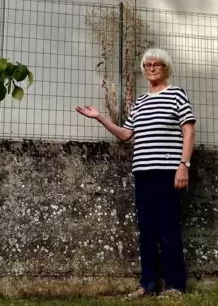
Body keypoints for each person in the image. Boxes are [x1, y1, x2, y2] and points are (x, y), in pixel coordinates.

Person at [76, 48, 196, 299]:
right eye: (148, 65)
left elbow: (188, 132)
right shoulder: (140, 102)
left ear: (166, 68)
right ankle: (148, 285)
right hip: (143, 173)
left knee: (168, 230)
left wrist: (183, 165)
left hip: (167, 172)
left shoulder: (176, 95)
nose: (152, 68)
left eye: (157, 64)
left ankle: (176, 287)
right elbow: (125, 134)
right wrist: (100, 117)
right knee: (147, 231)